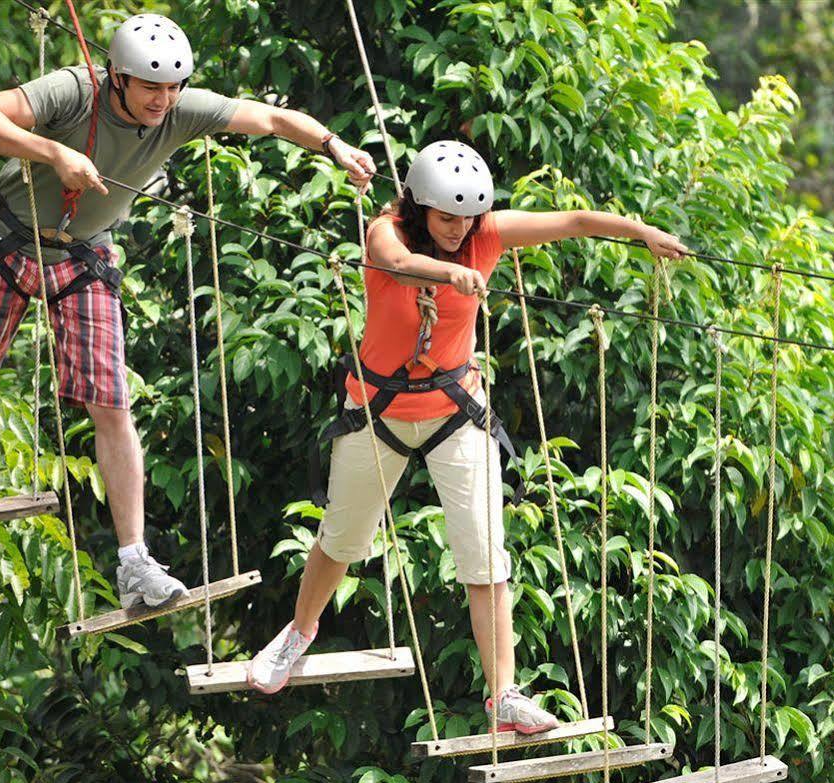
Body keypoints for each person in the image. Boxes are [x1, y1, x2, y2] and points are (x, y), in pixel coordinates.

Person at [0, 13, 379, 613]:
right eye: (150, 88)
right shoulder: (73, 89)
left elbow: (269, 118)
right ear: (117, 77)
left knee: (111, 404)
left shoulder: (183, 109)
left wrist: (332, 145)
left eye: (173, 88)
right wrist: (53, 152)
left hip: (83, 256)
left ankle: (135, 562)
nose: (164, 100)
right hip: (6, 241)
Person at [244, 140, 688, 736]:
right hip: (378, 409)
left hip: (456, 408)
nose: (458, 230)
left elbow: (576, 222)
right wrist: (449, 271)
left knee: (486, 557)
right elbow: (398, 265)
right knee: (342, 541)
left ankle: (503, 693)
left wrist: (642, 232)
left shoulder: (487, 235)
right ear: (419, 206)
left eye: (468, 218)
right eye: (447, 217)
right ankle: (298, 634)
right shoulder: (385, 230)